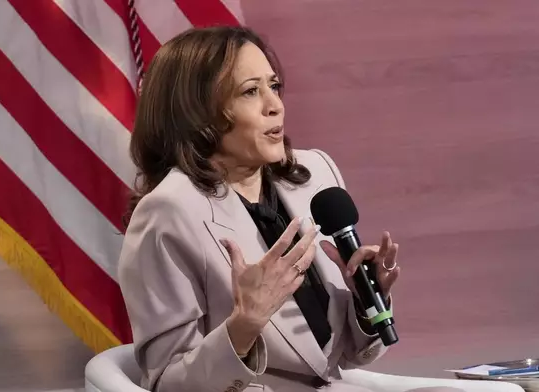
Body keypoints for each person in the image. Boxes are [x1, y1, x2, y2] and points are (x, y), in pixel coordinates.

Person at [118, 26, 462, 392]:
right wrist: (245, 324)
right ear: (197, 114)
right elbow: (167, 385)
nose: (275, 105)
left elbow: (340, 357)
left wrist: (365, 302)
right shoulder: (168, 213)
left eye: (274, 86)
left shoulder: (313, 174)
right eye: (251, 91)